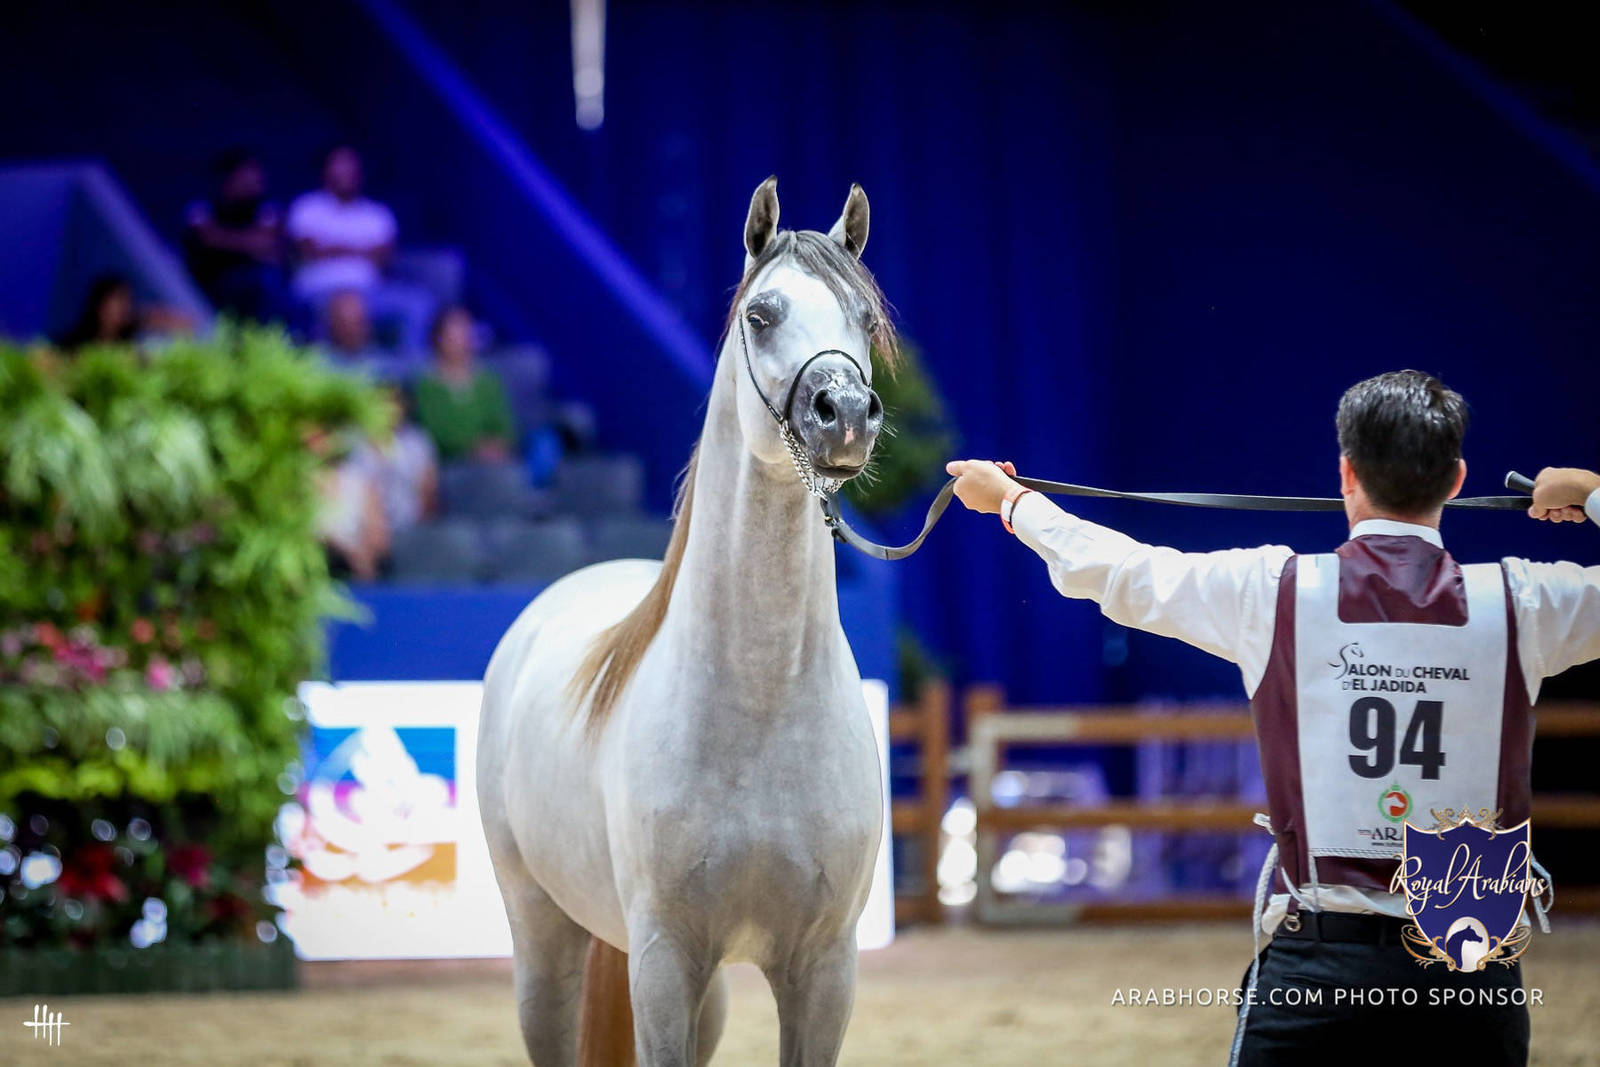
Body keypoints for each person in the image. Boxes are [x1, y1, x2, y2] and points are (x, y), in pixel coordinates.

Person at [946, 371, 1600, 1066]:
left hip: (1318, 972)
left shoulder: (1275, 589)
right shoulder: (1524, 601)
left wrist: (1012, 501)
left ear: (1346, 471)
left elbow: (1121, 571)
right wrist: (1589, 493)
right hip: (1473, 975)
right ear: (1459, 478)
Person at [286, 145, 432, 350]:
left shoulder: (378, 214)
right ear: (325, 170)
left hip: (370, 292)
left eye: (351, 165)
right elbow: (310, 252)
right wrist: (362, 250)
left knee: (418, 303)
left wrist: (333, 247)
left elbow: (383, 259)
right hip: (319, 292)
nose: (346, 171)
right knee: (345, 310)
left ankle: (406, 371)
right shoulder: (307, 207)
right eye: (339, 164)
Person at [183, 147, 290, 324]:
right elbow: (208, 239)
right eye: (248, 174)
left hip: (256, 280)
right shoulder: (203, 207)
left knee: (269, 283)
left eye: (257, 174)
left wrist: (223, 239)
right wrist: (248, 242)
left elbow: (266, 244)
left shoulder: (267, 208)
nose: (256, 179)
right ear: (230, 178)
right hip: (211, 279)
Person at [412, 305, 515, 462]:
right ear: (438, 338)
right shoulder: (426, 385)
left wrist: (498, 444)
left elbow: (503, 424)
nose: (461, 340)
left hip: (493, 459)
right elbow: (435, 432)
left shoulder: (488, 381)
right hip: (452, 463)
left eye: (466, 332)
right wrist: (473, 448)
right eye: (454, 334)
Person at [348, 385, 439, 536]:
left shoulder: (417, 441)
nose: (389, 409)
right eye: (382, 403)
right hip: (363, 527)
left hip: (410, 525)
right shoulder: (354, 440)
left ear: (404, 407)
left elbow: (429, 492)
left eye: (395, 403)